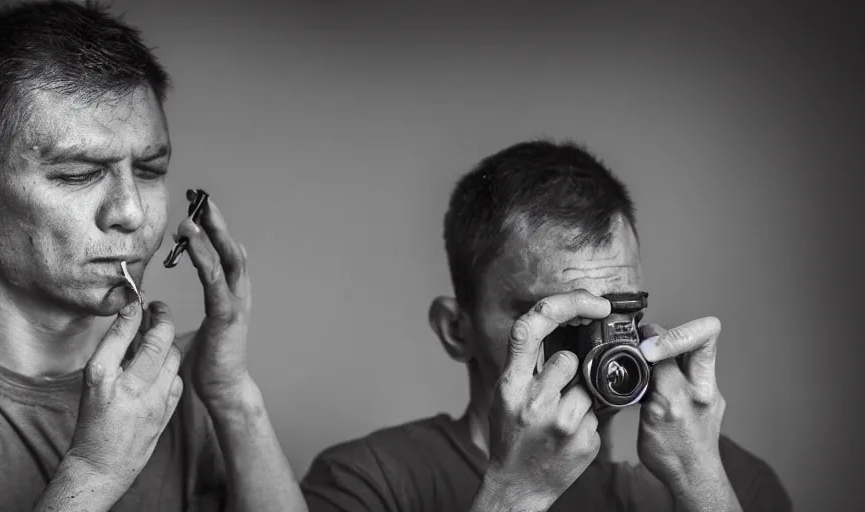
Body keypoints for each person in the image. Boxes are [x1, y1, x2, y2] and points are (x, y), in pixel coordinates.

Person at [0, 2, 306, 511]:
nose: (130, 212)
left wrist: (232, 398)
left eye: (150, 170)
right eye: (78, 174)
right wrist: (94, 471)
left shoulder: (180, 386)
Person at [301, 139, 792, 511]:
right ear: (456, 329)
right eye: (558, 317)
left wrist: (700, 480)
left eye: (620, 311)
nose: (599, 345)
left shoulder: (727, 479)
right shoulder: (370, 480)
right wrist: (514, 493)